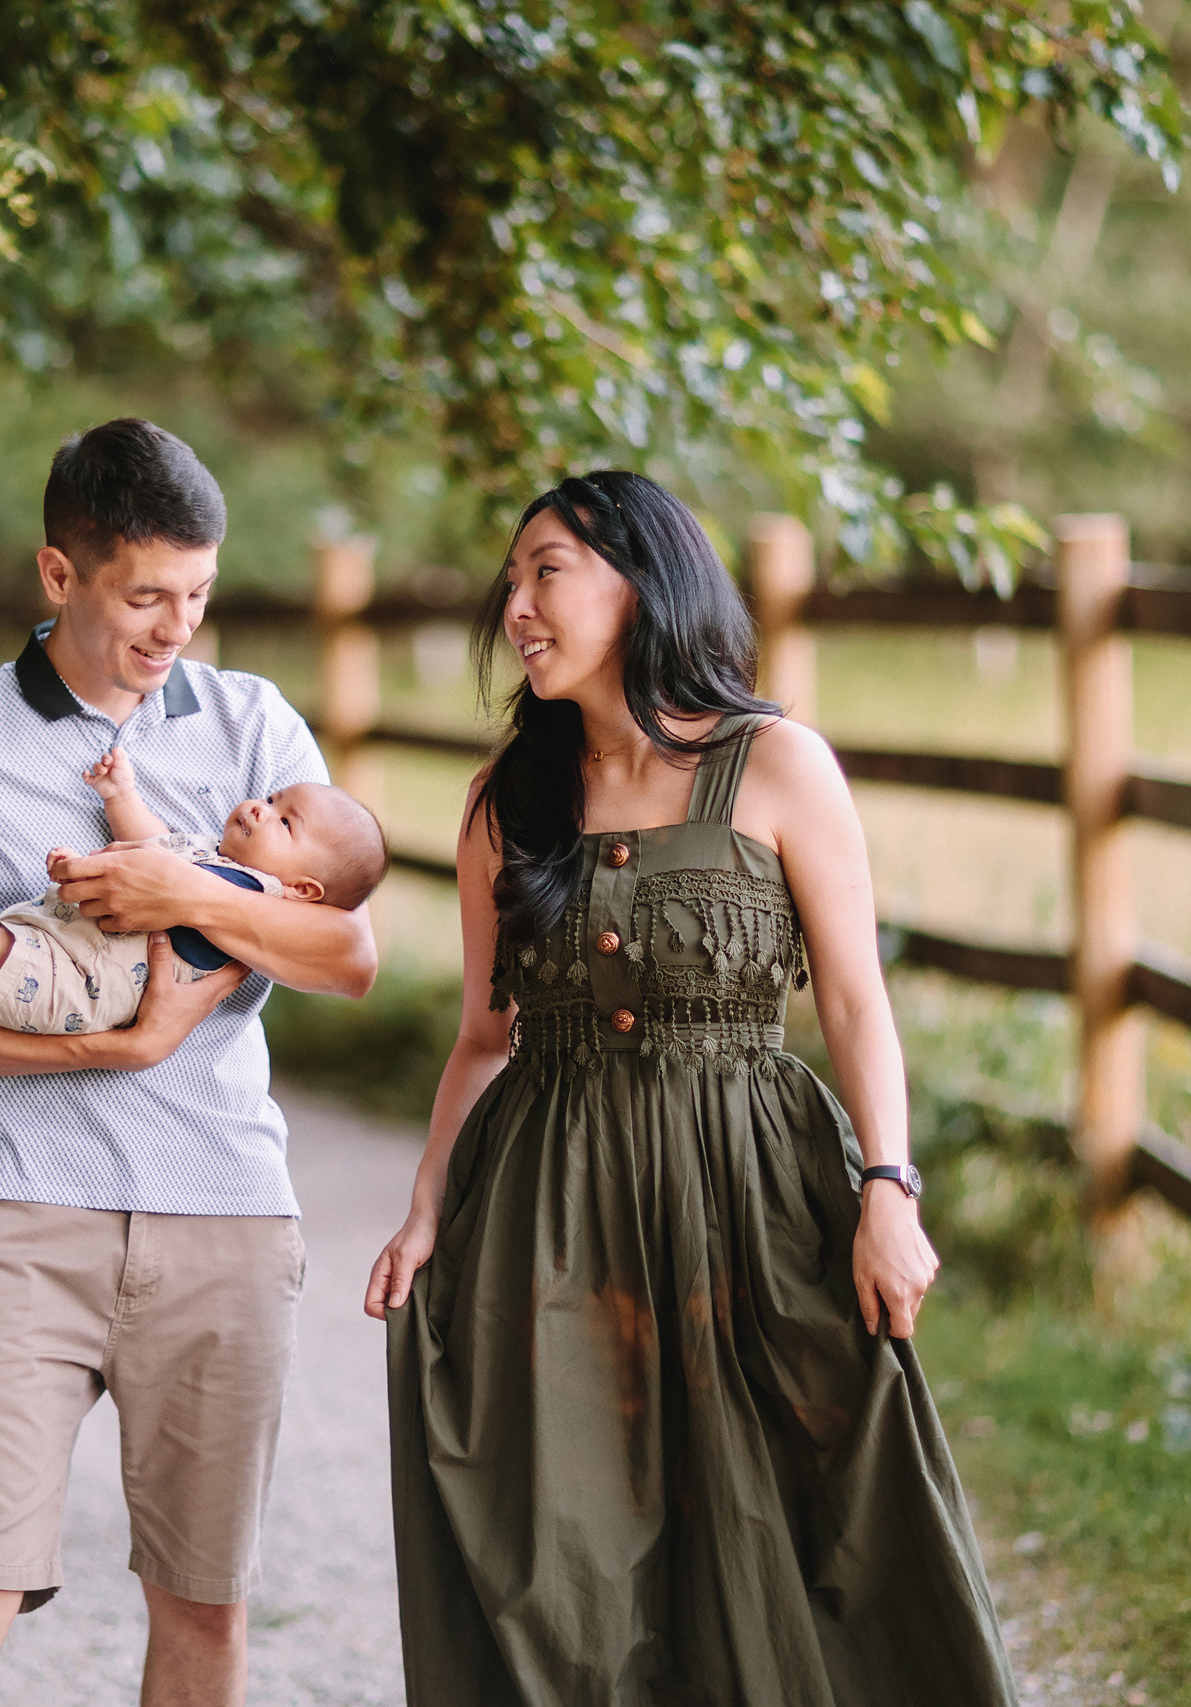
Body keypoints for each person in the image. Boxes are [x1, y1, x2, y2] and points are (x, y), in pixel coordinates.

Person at [367, 471, 1019, 1705]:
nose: (516, 607)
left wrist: (889, 1188)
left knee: (796, 1517)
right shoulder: (506, 804)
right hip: (554, 1214)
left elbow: (854, 1002)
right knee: (567, 1557)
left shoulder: (777, 764)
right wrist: (424, 1209)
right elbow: (483, 1038)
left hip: (754, 1201)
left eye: (547, 572)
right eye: (510, 582)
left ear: (642, 582)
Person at [0, 418, 376, 1707]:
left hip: (226, 1214)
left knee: (203, 1604)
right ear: (59, 573)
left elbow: (346, 954)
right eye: (146, 596)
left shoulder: (254, 725)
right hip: (23, 1211)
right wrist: (121, 1043)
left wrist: (175, 889)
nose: (175, 627)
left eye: (197, 594)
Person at [0, 749, 388, 1035]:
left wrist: (85, 870)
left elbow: (154, 882)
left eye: (285, 822)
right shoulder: (211, 856)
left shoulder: (247, 894)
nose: (261, 809)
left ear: (303, 889)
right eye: (271, 797)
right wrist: (120, 797)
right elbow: (152, 847)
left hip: (80, 982)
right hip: (64, 952)